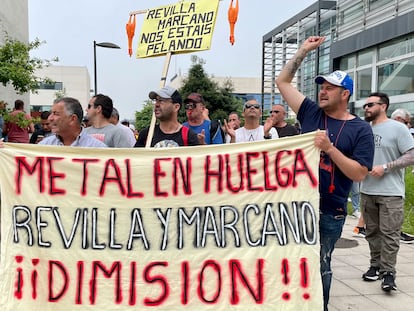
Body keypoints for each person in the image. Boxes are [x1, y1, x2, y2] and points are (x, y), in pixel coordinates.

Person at [275, 36, 375, 311]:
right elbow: (282, 83)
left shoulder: (360, 130)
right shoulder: (309, 112)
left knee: (320, 263)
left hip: (329, 210)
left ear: (345, 94)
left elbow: (359, 174)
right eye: (322, 86)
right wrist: (303, 52)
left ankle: (320, 306)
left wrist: (330, 149)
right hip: (295, 205)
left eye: (331, 88)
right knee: (287, 260)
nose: (323, 91)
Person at [360, 92, 414, 291]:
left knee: (390, 234)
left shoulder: (398, 128)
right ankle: (375, 266)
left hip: (391, 192)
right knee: (372, 232)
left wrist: (386, 167)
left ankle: (388, 272)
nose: (366, 108)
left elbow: (411, 155)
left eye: (370, 105)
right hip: (366, 189)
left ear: (383, 106)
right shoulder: (364, 129)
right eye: (365, 106)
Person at [38, 97, 107, 147]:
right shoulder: (44, 146)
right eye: (51, 113)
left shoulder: (97, 149)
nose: (50, 118)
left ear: (72, 119)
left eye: (56, 114)